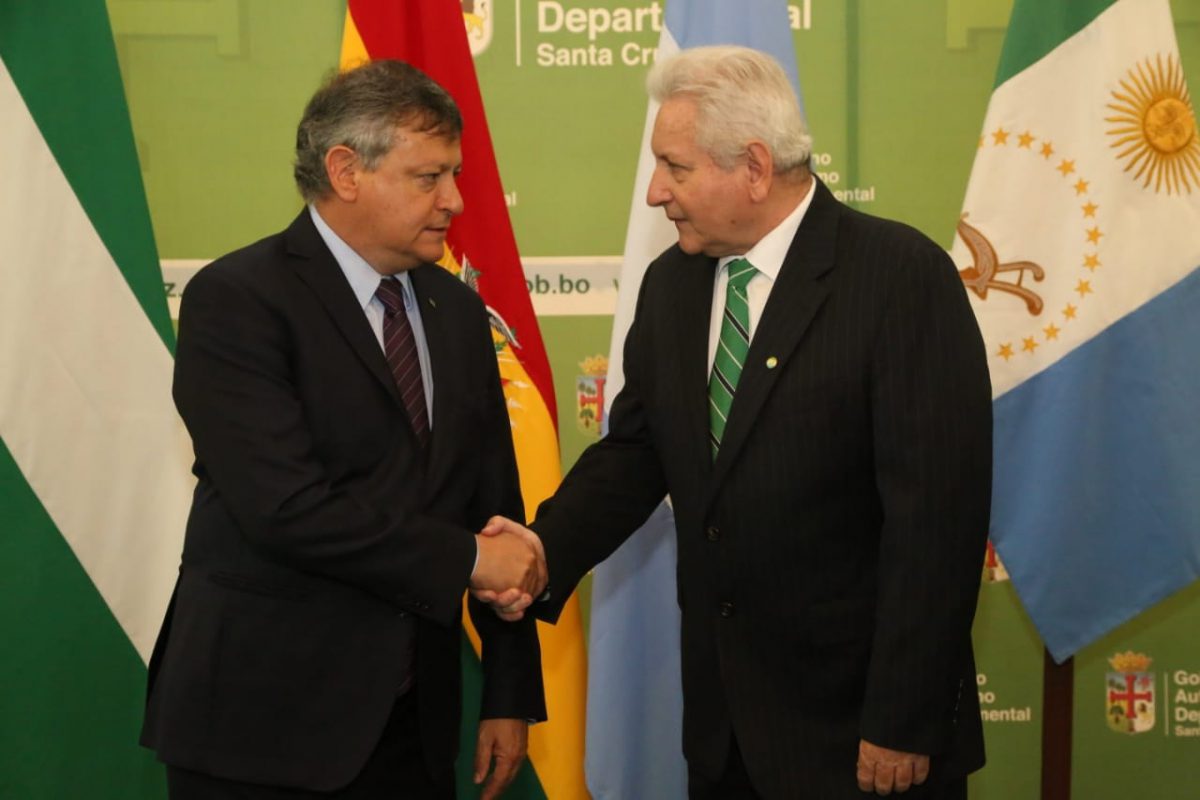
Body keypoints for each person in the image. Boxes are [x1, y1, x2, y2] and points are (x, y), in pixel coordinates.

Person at [479, 45, 991, 799]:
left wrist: (903, 718)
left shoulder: (897, 277)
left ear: (754, 166)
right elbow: (636, 455)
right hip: (725, 734)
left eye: (675, 167)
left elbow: (937, 522)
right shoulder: (671, 285)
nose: (655, 192)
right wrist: (543, 549)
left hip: (860, 730)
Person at [141, 60, 546, 800]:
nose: (454, 200)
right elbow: (286, 508)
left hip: (415, 729)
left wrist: (508, 692)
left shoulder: (456, 311)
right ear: (345, 171)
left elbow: (495, 508)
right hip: (261, 728)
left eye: (455, 175)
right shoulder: (237, 301)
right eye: (428, 177)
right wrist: (466, 559)